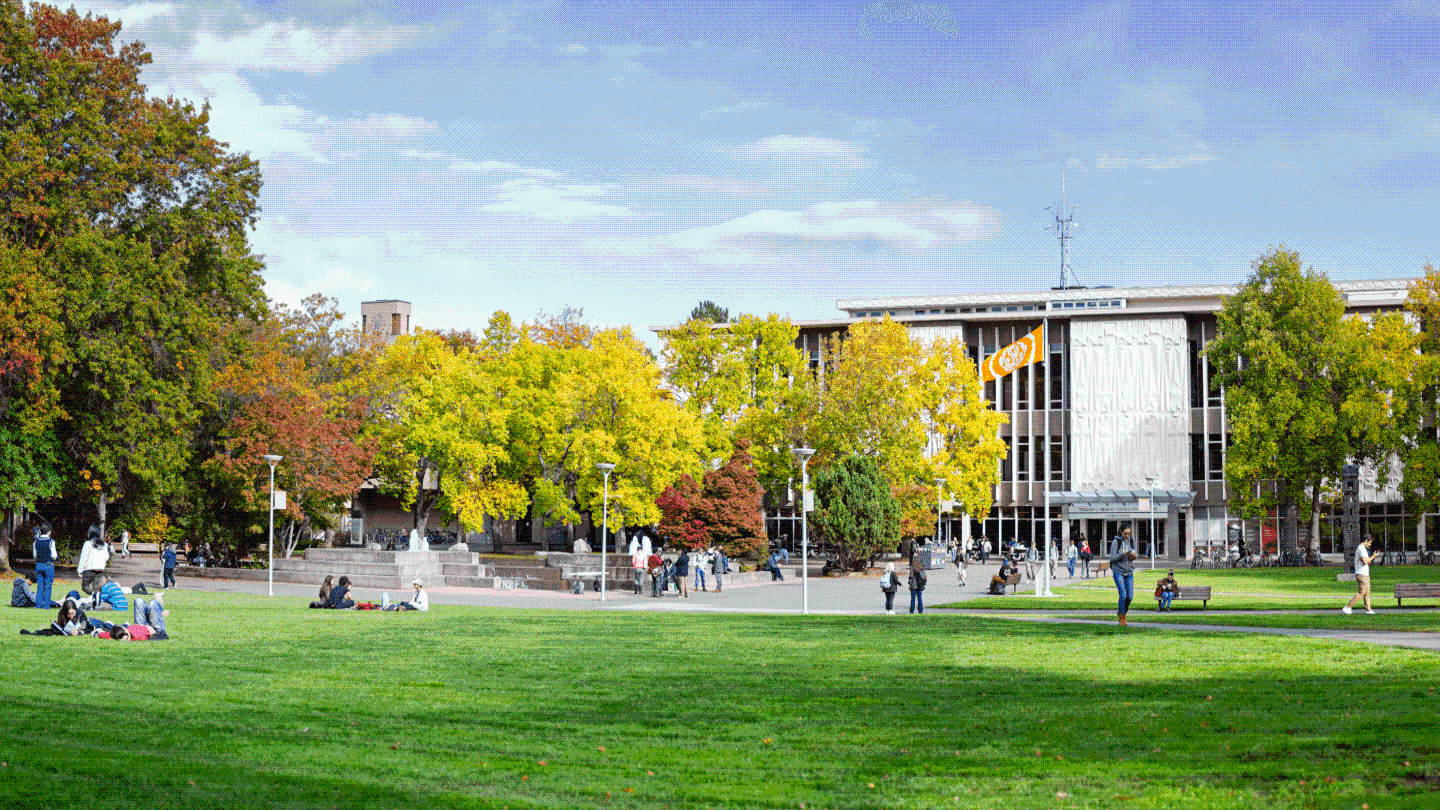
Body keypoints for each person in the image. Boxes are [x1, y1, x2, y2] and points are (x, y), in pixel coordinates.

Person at [99, 595, 169, 641]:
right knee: (153, 603)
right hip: (156, 630)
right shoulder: (137, 636)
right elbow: (151, 633)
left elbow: (103, 634)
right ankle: (160, 612)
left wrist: (97, 632)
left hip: (141, 625)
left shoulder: (118, 633)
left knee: (139, 601)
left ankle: (159, 611)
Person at [1342, 535, 1378, 615]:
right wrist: (1373, 556)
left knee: (1367, 592)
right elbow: (1365, 561)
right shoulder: (1361, 548)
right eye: (1369, 542)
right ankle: (1348, 607)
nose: (1370, 545)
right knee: (1361, 592)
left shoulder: (1363, 549)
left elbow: (1367, 561)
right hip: (1361, 574)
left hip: (1365, 573)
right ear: (1366, 540)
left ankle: (1368, 609)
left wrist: (1372, 557)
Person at [1110, 526, 1137, 626]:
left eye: (1128, 533)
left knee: (1130, 596)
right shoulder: (1116, 542)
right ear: (1121, 532)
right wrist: (1122, 554)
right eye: (1125, 533)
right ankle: (1122, 617)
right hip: (1118, 571)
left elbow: (1135, 553)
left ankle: (1122, 611)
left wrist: (1133, 555)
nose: (1127, 536)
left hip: (1129, 571)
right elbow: (1112, 558)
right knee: (1123, 595)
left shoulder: (1131, 541)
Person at [77, 529, 111, 595]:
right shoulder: (104, 545)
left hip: (89, 569)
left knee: (85, 586)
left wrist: (80, 570)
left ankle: (94, 595)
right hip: (100, 569)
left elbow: (84, 557)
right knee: (97, 589)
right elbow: (107, 557)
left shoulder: (88, 544)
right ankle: (96, 600)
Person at [32, 522, 56, 610]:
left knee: (40, 586)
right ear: (49, 531)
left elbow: (35, 555)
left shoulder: (36, 542)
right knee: (48, 586)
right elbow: (54, 555)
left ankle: (38, 605)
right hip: (48, 564)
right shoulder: (51, 542)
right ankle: (46, 606)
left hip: (38, 564)